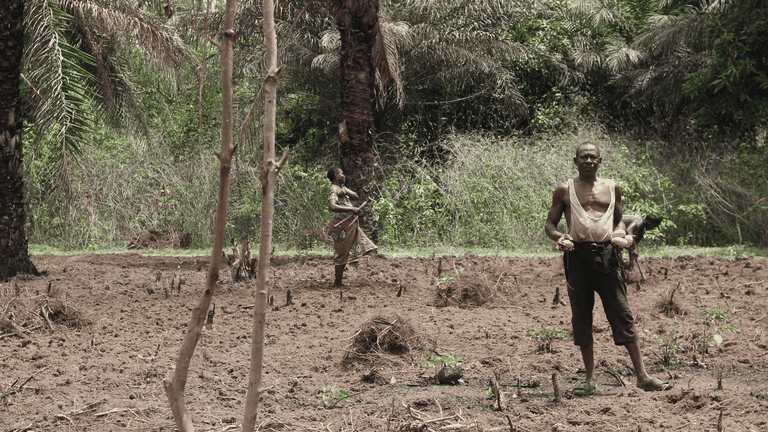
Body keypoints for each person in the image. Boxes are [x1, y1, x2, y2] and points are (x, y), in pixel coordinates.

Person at [544, 142, 672, 396]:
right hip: (577, 257)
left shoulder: (612, 188)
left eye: (593, 157)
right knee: (582, 315)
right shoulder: (564, 190)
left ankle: (643, 377)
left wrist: (622, 236)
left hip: (607, 256)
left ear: (600, 161)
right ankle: (590, 380)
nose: (589, 160)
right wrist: (560, 237)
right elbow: (550, 224)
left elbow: (618, 222)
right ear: (575, 161)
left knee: (621, 312)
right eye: (584, 157)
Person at [326, 167, 378, 287]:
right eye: (342, 174)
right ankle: (337, 283)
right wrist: (351, 208)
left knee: (344, 252)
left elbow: (356, 196)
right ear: (336, 176)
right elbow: (332, 206)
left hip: (349, 224)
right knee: (341, 253)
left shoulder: (342, 188)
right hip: (341, 225)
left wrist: (346, 191)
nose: (344, 176)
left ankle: (338, 282)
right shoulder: (333, 189)